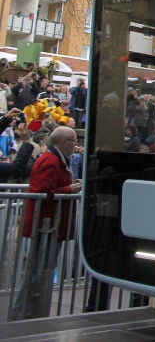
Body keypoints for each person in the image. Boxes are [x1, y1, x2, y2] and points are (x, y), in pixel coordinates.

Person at [10, 126, 81, 320]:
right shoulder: (51, 161)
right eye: (74, 141)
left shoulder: (53, 159)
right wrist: (69, 189)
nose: (76, 145)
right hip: (46, 225)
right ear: (64, 142)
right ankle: (22, 314)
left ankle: (27, 313)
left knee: (39, 272)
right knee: (36, 272)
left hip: (49, 225)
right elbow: (41, 192)